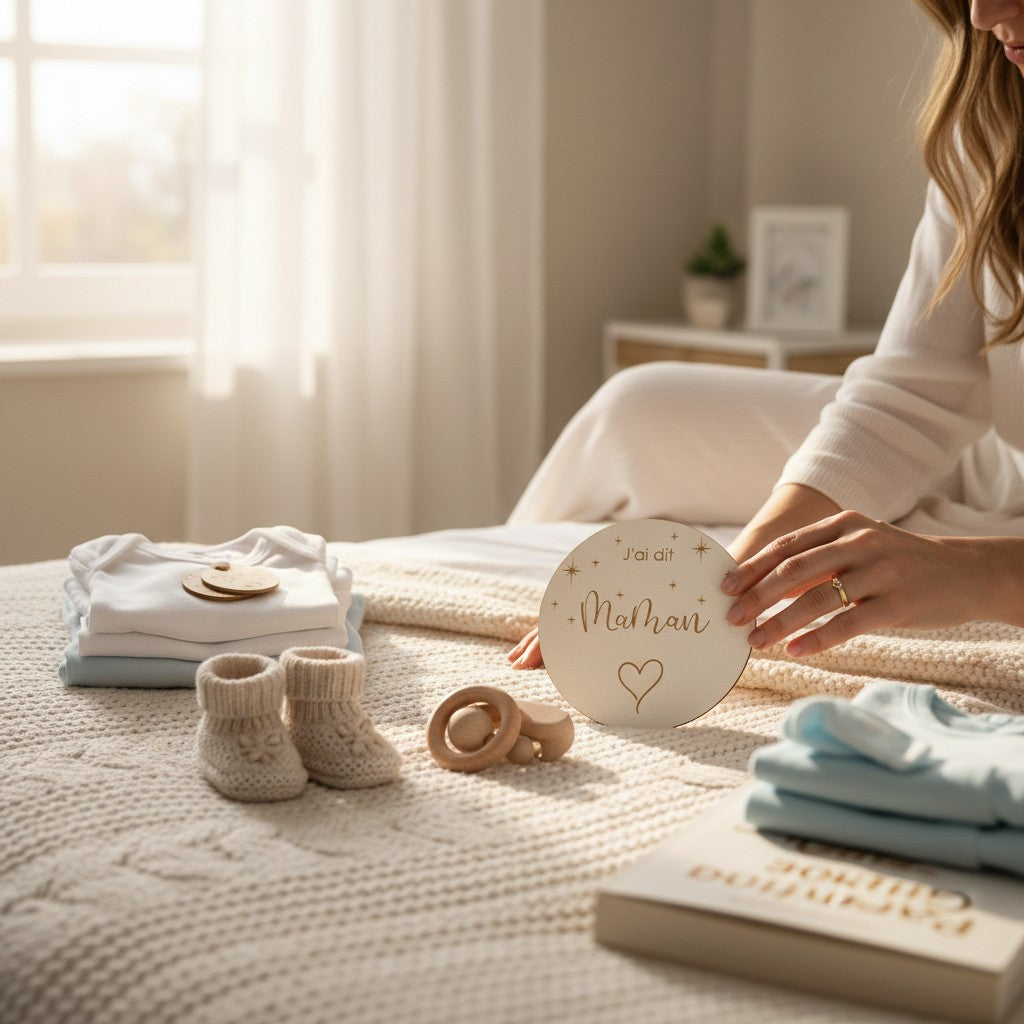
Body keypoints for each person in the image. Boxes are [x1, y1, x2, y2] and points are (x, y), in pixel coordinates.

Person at [508, 0, 1024, 671]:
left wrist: (982, 575)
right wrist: (731, 584)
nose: (983, 13)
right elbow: (910, 399)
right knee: (636, 410)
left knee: (888, 562)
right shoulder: (994, 123)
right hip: (1005, 477)